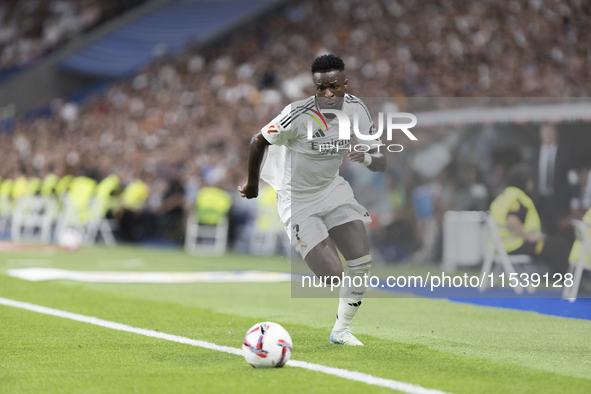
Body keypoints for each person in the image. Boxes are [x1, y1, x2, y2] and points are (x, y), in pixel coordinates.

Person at [238, 54, 386, 346]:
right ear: (314, 87)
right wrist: (253, 185)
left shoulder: (357, 109)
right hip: (297, 200)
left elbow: (381, 161)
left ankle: (341, 331)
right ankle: (311, 240)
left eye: (334, 86)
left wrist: (366, 157)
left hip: (332, 189)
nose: (328, 94)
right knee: (332, 276)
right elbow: (258, 141)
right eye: (321, 88)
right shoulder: (297, 113)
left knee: (361, 261)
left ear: (345, 83)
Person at [490, 164, 569, 275]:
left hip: (499, 245)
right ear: (526, 182)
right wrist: (530, 236)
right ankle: (571, 283)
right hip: (516, 245)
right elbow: (512, 220)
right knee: (561, 246)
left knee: (553, 245)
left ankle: (560, 278)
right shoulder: (518, 198)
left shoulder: (504, 196)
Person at [532, 124, 575, 235]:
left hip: (559, 200)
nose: (547, 136)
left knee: (561, 230)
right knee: (543, 229)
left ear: (555, 134)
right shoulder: (535, 153)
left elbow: (572, 178)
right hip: (540, 200)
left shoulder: (565, 153)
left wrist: (573, 199)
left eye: (549, 133)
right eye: (545, 133)